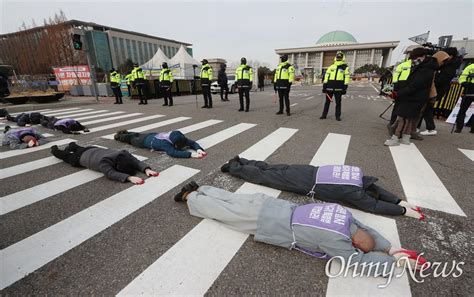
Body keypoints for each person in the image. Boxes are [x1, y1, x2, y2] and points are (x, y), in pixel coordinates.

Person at [174, 182, 426, 276]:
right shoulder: (338, 242)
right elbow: (358, 263)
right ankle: (190, 198)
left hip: (274, 205)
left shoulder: (344, 216)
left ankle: (203, 188)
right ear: (355, 244)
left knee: (232, 199)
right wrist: (396, 263)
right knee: (224, 213)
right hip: (267, 221)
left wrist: (392, 248)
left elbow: (366, 229)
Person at [220, 157, 424, 219]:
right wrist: (403, 210)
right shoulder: (353, 191)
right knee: (263, 177)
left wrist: (400, 201)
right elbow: (373, 205)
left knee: (271, 168)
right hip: (303, 182)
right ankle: (233, 167)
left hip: (304, 169)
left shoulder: (356, 173)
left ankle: (241, 160)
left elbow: (378, 191)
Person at [385, 48, 438, 146]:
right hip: (416, 97)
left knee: (403, 118)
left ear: (422, 56)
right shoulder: (427, 67)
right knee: (409, 119)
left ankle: (395, 139)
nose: (414, 60)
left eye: (415, 58)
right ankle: (406, 139)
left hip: (412, 97)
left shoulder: (425, 69)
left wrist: (398, 94)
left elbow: (414, 85)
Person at [50, 142, 159, 184]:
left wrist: (146, 169)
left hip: (91, 148)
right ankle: (54, 149)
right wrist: (129, 178)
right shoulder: (104, 162)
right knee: (64, 156)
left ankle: (72, 145)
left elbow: (135, 161)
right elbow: (110, 173)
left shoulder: (123, 153)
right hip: (79, 157)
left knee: (78, 147)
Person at [419, 47, 462, 136]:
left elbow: (441, 80)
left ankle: (430, 128)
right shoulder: (448, 64)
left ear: (450, 56)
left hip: (437, 90)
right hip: (434, 89)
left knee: (426, 107)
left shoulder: (450, 67)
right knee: (425, 107)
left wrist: (431, 79)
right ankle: (419, 126)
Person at [114, 129, 207, 159]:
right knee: (131, 139)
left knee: (136, 135)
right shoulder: (165, 143)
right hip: (143, 142)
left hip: (152, 135)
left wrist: (199, 149)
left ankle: (125, 132)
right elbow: (172, 152)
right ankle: (119, 136)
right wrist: (191, 154)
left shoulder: (178, 137)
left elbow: (192, 143)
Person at [321, 51, 350, 121]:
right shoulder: (331, 66)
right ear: (336, 57)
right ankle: (324, 115)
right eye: (338, 57)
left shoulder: (345, 67)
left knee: (338, 103)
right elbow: (326, 76)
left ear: (343, 58)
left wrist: (345, 87)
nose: (338, 58)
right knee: (327, 102)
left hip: (339, 88)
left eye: (340, 57)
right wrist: (324, 86)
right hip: (329, 87)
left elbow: (347, 77)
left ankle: (337, 116)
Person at [455, 63, 474, 133]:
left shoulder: (470, 67)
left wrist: (466, 84)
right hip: (468, 91)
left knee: (462, 110)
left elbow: (462, 78)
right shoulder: (470, 67)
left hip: (468, 90)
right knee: (462, 110)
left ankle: (459, 128)